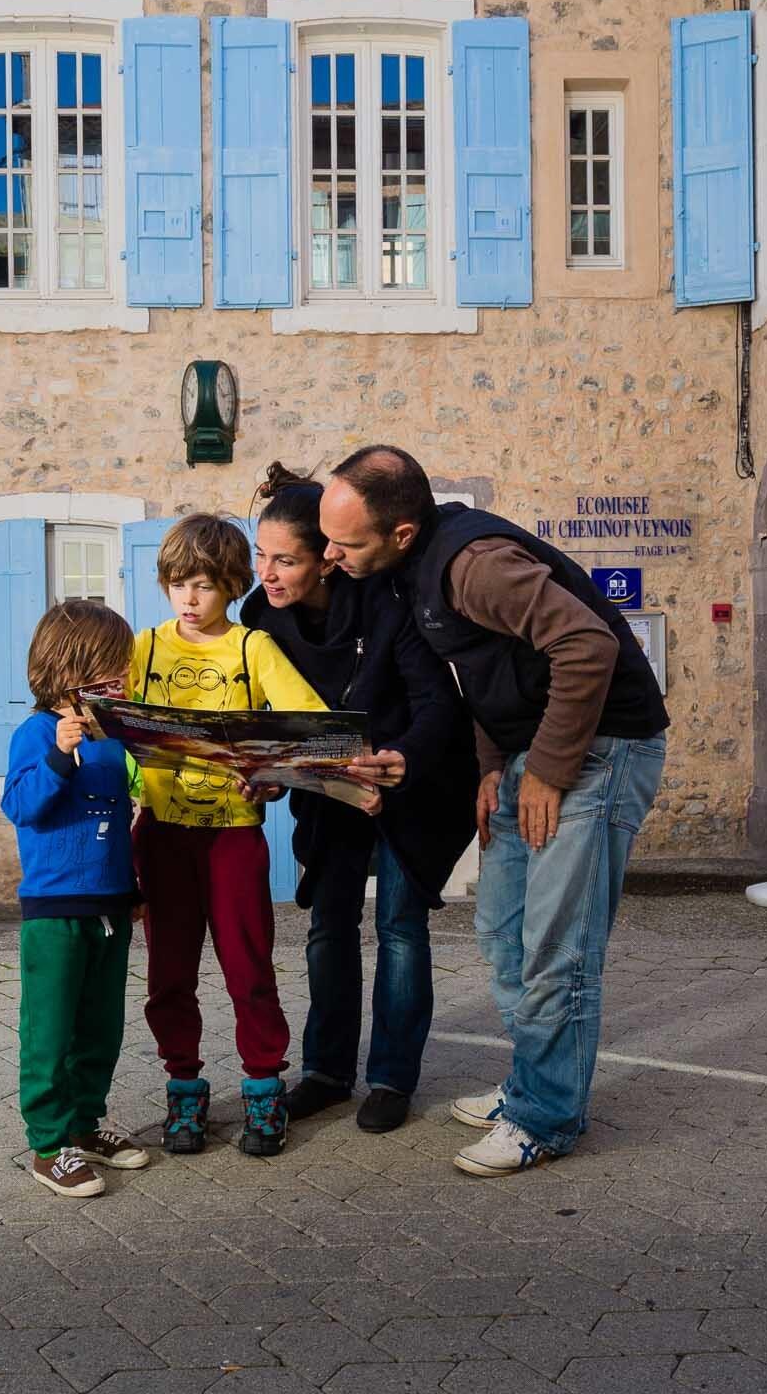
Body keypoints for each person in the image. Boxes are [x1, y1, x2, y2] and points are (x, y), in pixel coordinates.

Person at [321, 446, 669, 1177]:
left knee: (556, 948)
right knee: (503, 926)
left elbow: (585, 644)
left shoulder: (475, 563)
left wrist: (546, 768)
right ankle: (528, 1086)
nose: (330, 554)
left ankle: (545, 1117)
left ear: (402, 533)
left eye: (345, 543)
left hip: (600, 751)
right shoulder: (412, 572)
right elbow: (484, 668)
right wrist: (492, 767)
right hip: (526, 755)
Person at [236, 464, 477, 1135]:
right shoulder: (260, 622)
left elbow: (437, 705)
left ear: (327, 562)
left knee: (400, 927)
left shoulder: (387, 604)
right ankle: (325, 1073)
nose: (269, 573)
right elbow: (262, 722)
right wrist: (265, 768)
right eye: (261, 556)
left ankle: (392, 1078)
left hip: (410, 785)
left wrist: (396, 761)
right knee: (328, 929)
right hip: (329, 796)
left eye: (286, 559)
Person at [129, 514, 329, 1157]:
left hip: (234, 837)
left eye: (206, 585)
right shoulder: (145, 647)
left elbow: (314, 730)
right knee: (168, 973)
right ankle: (184, 1090)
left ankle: (264, 1091)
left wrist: (270, 777)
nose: (190, 599)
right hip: (163, 835)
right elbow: (109, 723)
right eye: (178, 584)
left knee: (248, 969)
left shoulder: (253, 648)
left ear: (234, 585)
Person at [0, 599, 154, 1197]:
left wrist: (133, 888)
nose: (120, 678)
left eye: (123, 667)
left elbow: (120, 820)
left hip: (111, 906)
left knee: (100, 1026)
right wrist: (60, 756)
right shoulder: (34, 732)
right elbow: (21, 807)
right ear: (71, 666)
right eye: (111, 666)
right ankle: (47, 1144)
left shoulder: (114, 740)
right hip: (54, 911)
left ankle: (86, 1127)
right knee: (51, 1030)